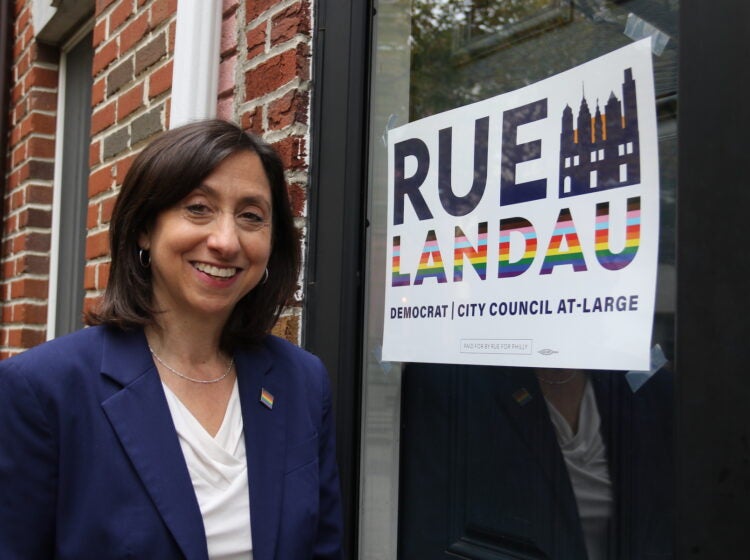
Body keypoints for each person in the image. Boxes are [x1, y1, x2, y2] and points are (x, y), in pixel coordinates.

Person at [0, 119, 343, 560]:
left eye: (251, 216)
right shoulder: (41, 390)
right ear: (145, 227)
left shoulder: (302, 380)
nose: (225, 240)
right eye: (198, 208)